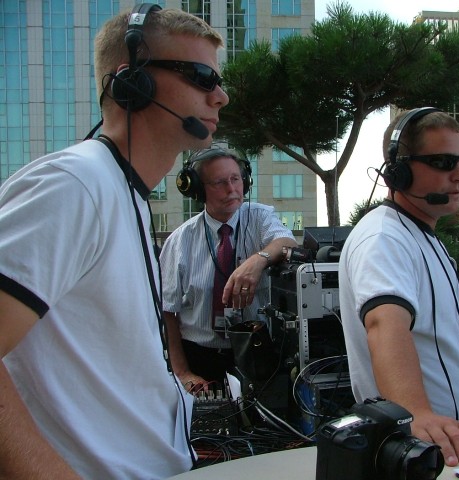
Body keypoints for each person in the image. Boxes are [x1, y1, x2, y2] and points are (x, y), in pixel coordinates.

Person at [0, 4, 229, 479]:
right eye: (203, 77)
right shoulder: (75, 185)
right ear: (132, 82)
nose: (221, 96)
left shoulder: (122, 194)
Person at [338, 107, 459, 467]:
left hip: (445, 439)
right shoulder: (384, 238)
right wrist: (417, 413)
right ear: (399, 171)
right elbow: (384, 325)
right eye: (442, 162)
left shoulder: (420, 235)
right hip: (417, 445)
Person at [160, 147, 298, 391]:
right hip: (200, 357)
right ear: (198, 190)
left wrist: (257, 260)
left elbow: (287, 242)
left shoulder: (260, 217)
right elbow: (168, 313)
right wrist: (183, 373)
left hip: (258, 351)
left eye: (236, 179)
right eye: (219, 182)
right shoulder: (179, 242)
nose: (232, 189)